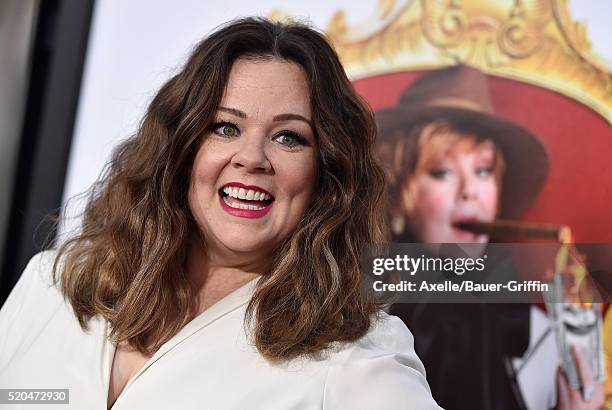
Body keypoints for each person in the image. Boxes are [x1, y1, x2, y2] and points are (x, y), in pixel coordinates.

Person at [0, 18, 442, 409]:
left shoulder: (352, 359)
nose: (252, 157)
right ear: (180, 149)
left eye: (289, 137)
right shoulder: (52, 285)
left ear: (327, 175)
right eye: (225, 127)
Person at [375, 65, 605, 409]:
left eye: (483, 170)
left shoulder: (542, 336)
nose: (471, 192)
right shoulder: (356, 318)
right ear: (397, 198)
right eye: (442, 172)